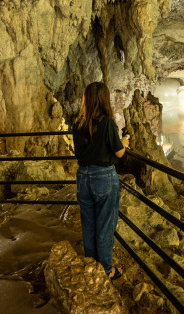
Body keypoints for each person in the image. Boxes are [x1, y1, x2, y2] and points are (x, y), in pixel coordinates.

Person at [72, 81, 129, 280]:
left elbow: (80, 151)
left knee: (88, 224)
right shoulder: (106, 123)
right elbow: (119, 153)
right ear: (104, 100)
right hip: (103, 177)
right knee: (105, 225)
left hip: (83, 177)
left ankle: (91, 264)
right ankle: (106, 270)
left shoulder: (77, 122)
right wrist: (125, 142)